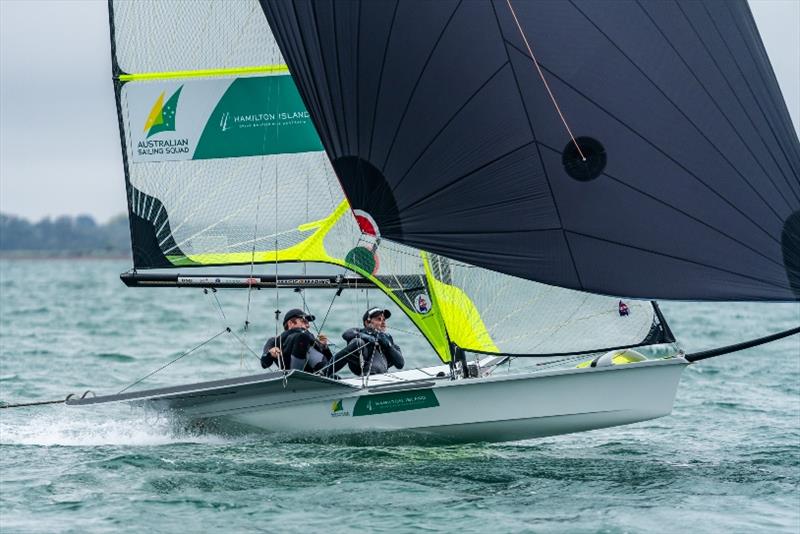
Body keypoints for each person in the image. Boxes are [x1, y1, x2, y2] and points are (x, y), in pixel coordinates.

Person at [332, 307, 404, 376]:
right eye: (379, 319)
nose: (383, 322)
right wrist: (368, 337)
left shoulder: (388, 339)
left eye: (384, 320)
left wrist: (388, 346)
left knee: (395, 348)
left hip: (379, 374)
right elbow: (346, 334)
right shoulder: (360, 331)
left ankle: (374, 377)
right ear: (367, 322)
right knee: (357, 342)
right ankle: (325, 372)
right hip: (359, 364)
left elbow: (400, 364)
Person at [261, 309, 333, 374]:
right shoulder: (274, 341)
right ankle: (296, 375)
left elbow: (330, 363)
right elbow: (264, 364)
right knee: (302, 337)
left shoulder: (312, 339)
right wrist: (270, 353)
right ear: (290, 323)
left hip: (318, 376)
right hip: (289, 377)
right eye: (303, 321)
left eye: (308, 323)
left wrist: (324, 347)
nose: (308, 325)